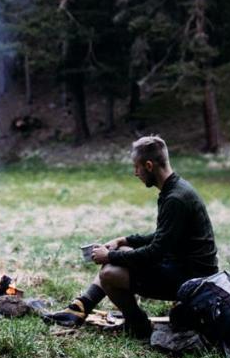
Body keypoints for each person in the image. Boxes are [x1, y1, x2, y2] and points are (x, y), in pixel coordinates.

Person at [44, 135, 219, 339]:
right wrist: (124, 241)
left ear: (149, 165)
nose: (135, 173)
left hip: (192, 280)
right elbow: (164, 236)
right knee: (121, 253)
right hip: (184, 269)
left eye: (137, 167)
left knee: (109, 274)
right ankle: (80, 307)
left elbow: (155, 253)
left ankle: (138, 325)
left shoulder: (175, 199)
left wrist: (109, 257)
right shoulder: (176, 189)